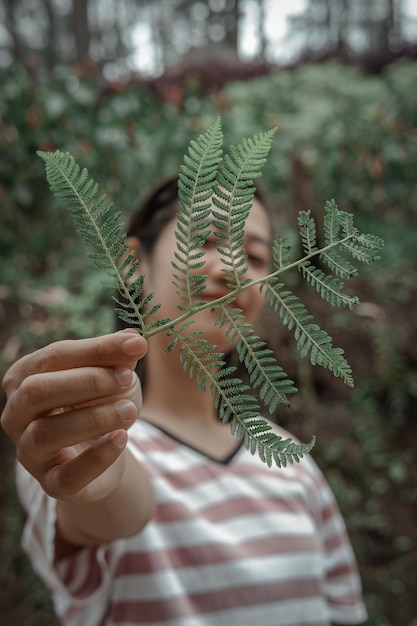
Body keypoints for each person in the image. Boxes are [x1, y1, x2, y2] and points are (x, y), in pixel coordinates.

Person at [1, 173, 368, 626]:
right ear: (133, 263)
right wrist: (98, 459)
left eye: (252, 256)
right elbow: (110, 505)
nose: (231, 268)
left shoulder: (295, 466)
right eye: (207, 240)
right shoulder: (77, 434)